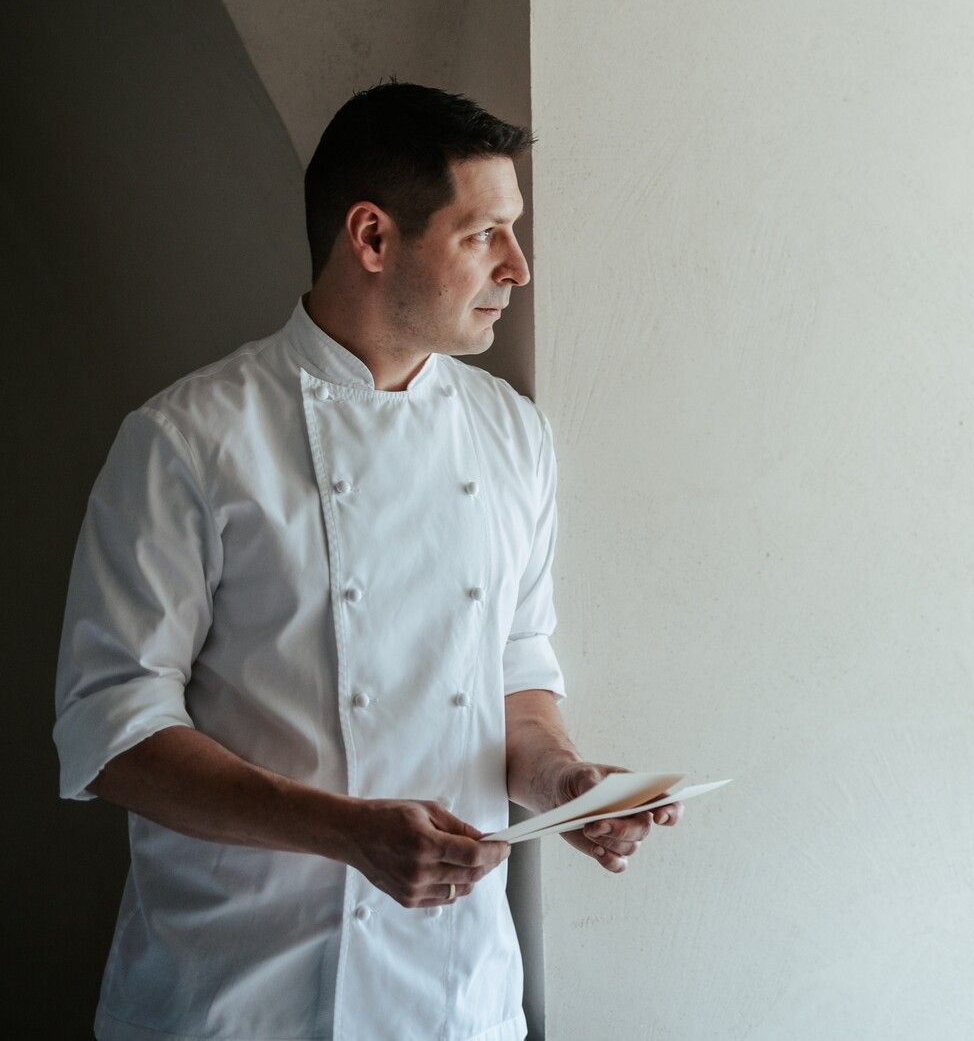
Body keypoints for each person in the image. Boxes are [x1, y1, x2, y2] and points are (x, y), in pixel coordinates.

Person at [52, 80, 675, 1041]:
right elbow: (114, 732)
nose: (517, 267)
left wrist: (562, 785)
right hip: (235, 991)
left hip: (454, 993)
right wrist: (346, 832)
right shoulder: (189, 439)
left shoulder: (513, 434)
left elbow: (516, 671)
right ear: (373, 238)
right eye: (485, 234)